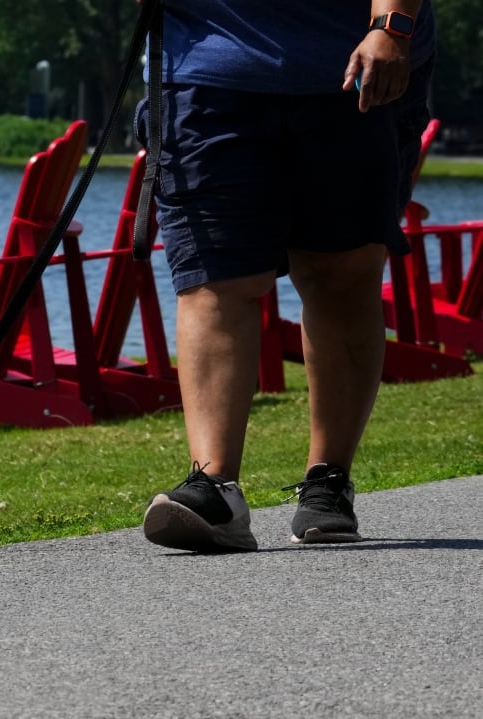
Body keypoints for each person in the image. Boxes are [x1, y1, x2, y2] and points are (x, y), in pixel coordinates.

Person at [137, 1, 436, 551]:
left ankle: (328, 483)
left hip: (353, 69)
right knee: (214, 278)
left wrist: (392, 26)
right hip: (206, 72)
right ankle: (213, 487)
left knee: (342, 275)